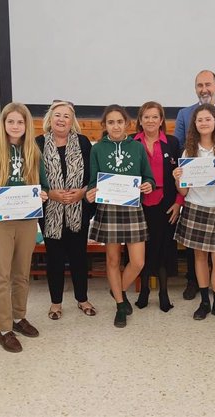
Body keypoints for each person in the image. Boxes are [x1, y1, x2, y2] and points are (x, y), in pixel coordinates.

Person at [0, 102, 49, 353]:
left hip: (28, 221)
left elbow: (44, 185)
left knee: (21, 273)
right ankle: (4, 328)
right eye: (11, 122)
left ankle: (19, 318)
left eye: (20, 122)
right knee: (1, 275)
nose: (15, 126)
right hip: (0, 223)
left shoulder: (34, 153)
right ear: (3, 125)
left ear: (27, 125)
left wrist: (44, 195)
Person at [86, 105, 155, 328]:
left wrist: (148, 185)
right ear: (105, 125)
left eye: (119, 122)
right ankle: (119, 304)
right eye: (111, 122)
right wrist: (92, 191)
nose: (115, 126)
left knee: (138, 261)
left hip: (132, 208)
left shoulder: (137, 147)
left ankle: (118, 289)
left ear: (127, 124)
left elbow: (149, 178)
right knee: (113, 260)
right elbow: (93, 182)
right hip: (109, 209)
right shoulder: (97, 149)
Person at [175, 70, 215, 300]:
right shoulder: (188, 150)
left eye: (208, 84)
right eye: (200, 119)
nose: (204, 122)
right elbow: (182, 187)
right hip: (195, 205)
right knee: (199, 257)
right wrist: (179, 176)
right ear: (194, 123)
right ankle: (204, 299)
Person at [36, 100, 95, 320]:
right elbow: (32, 178)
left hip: (78, 209)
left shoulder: (82, 142)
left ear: (73, 121)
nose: (61, 119)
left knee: (79, 256)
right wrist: (50, 193)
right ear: (50, 119)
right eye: (57, 115)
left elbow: (92, 174)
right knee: (55, 258)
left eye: (66, 116)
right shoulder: (38, 143)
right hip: (49, 209)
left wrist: (82, 192)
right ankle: (56, 303)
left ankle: (82, 299)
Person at [132, 101, 183, 312]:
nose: (151, 120)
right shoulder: (131, 143)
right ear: (140, 120)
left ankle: (163, 293)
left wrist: (179, 203)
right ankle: (144, 290)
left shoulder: (172, 143)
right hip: (138, 205)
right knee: (141, 249)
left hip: (166, 204)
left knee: (163, 249)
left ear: (161, 120)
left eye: (155, 117)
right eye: (146, 117)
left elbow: (183, 176)